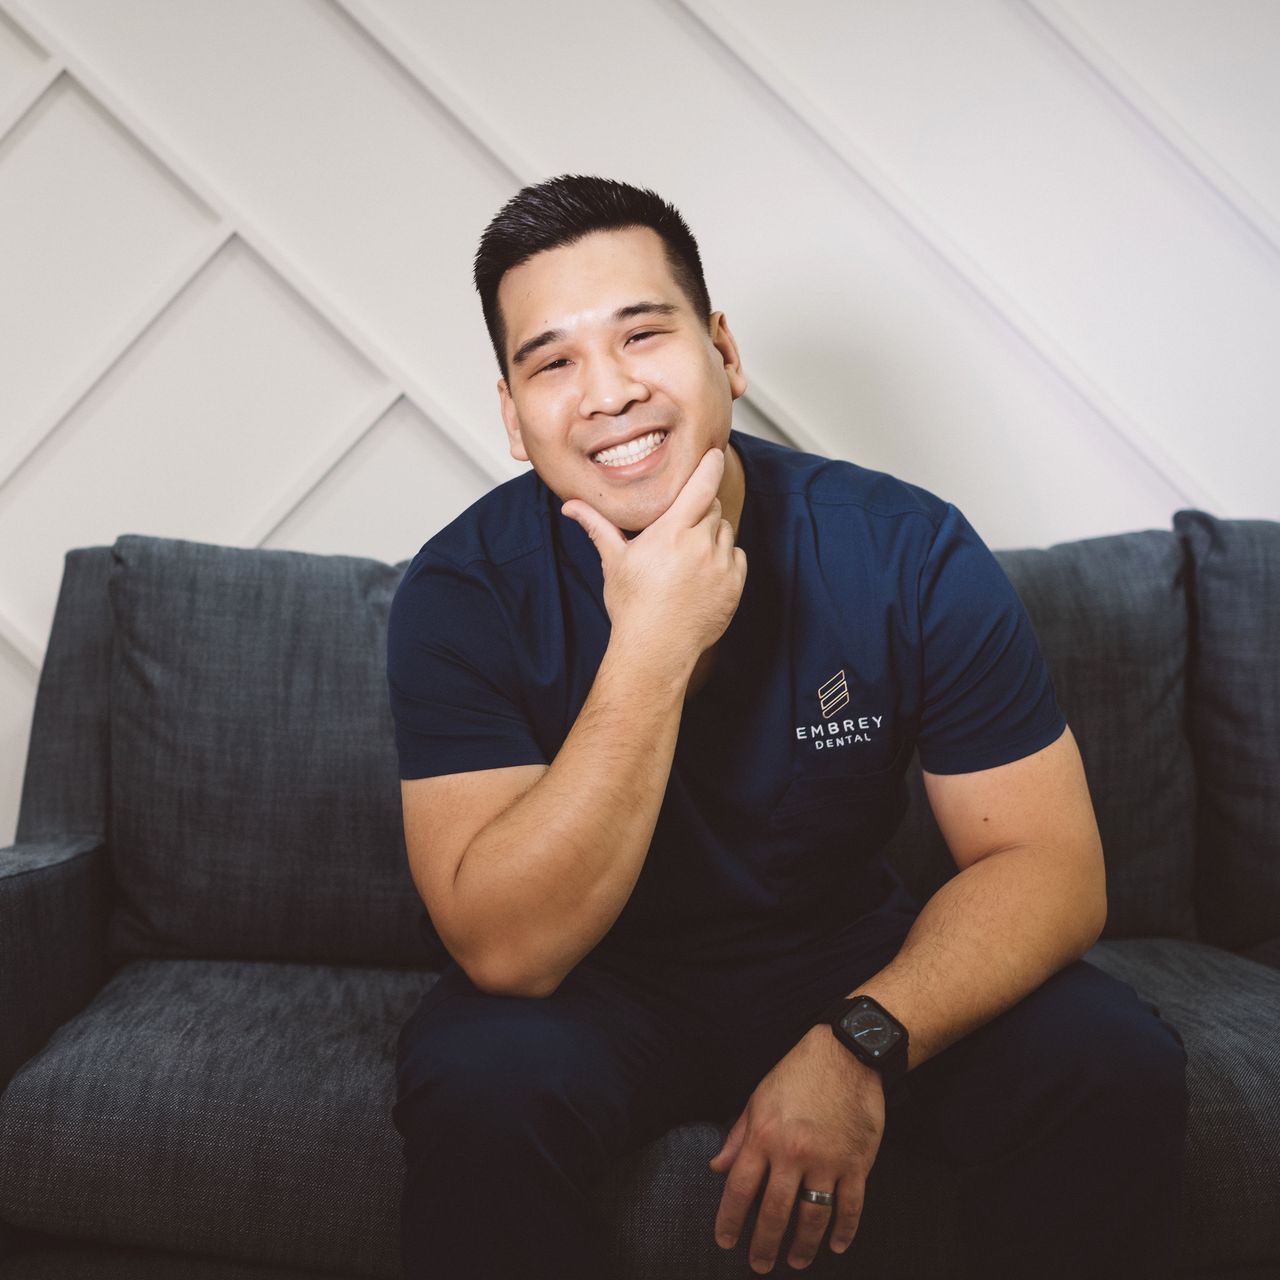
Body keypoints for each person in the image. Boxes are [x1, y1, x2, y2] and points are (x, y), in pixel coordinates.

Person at [385, 174, 1188, 1279]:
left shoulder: (905, 549)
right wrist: (654, 645)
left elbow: (1049, 865)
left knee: (1107, 1059)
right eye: (552, 360)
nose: (607, 391)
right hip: (591, 985)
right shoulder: (460, 591)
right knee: (476, 1083)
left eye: (642, 333)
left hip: (840, 953)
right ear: (513, 418)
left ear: (723, 350)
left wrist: (858, 1042)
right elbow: (507, 948)